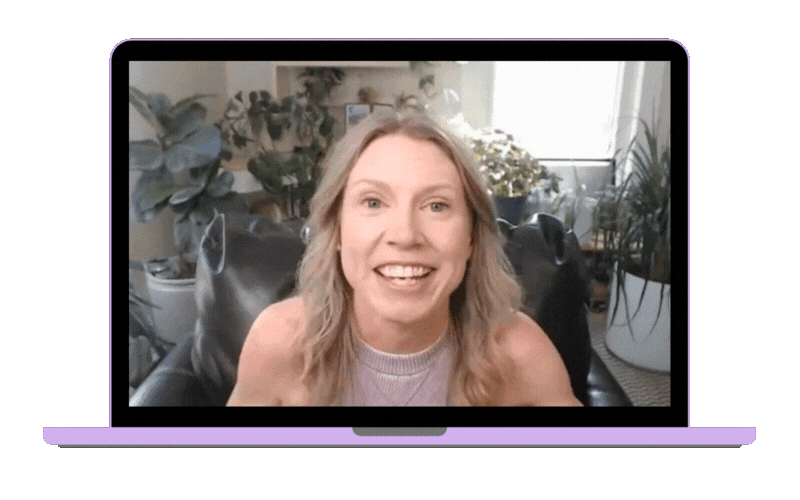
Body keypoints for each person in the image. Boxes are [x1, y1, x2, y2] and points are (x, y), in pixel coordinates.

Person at [227, 110, 581, 407]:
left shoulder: (522, 352)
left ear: (472, 237)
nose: (406, 235)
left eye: (437, 206)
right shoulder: (277, 342)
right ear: (336, 230)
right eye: (373, 202)